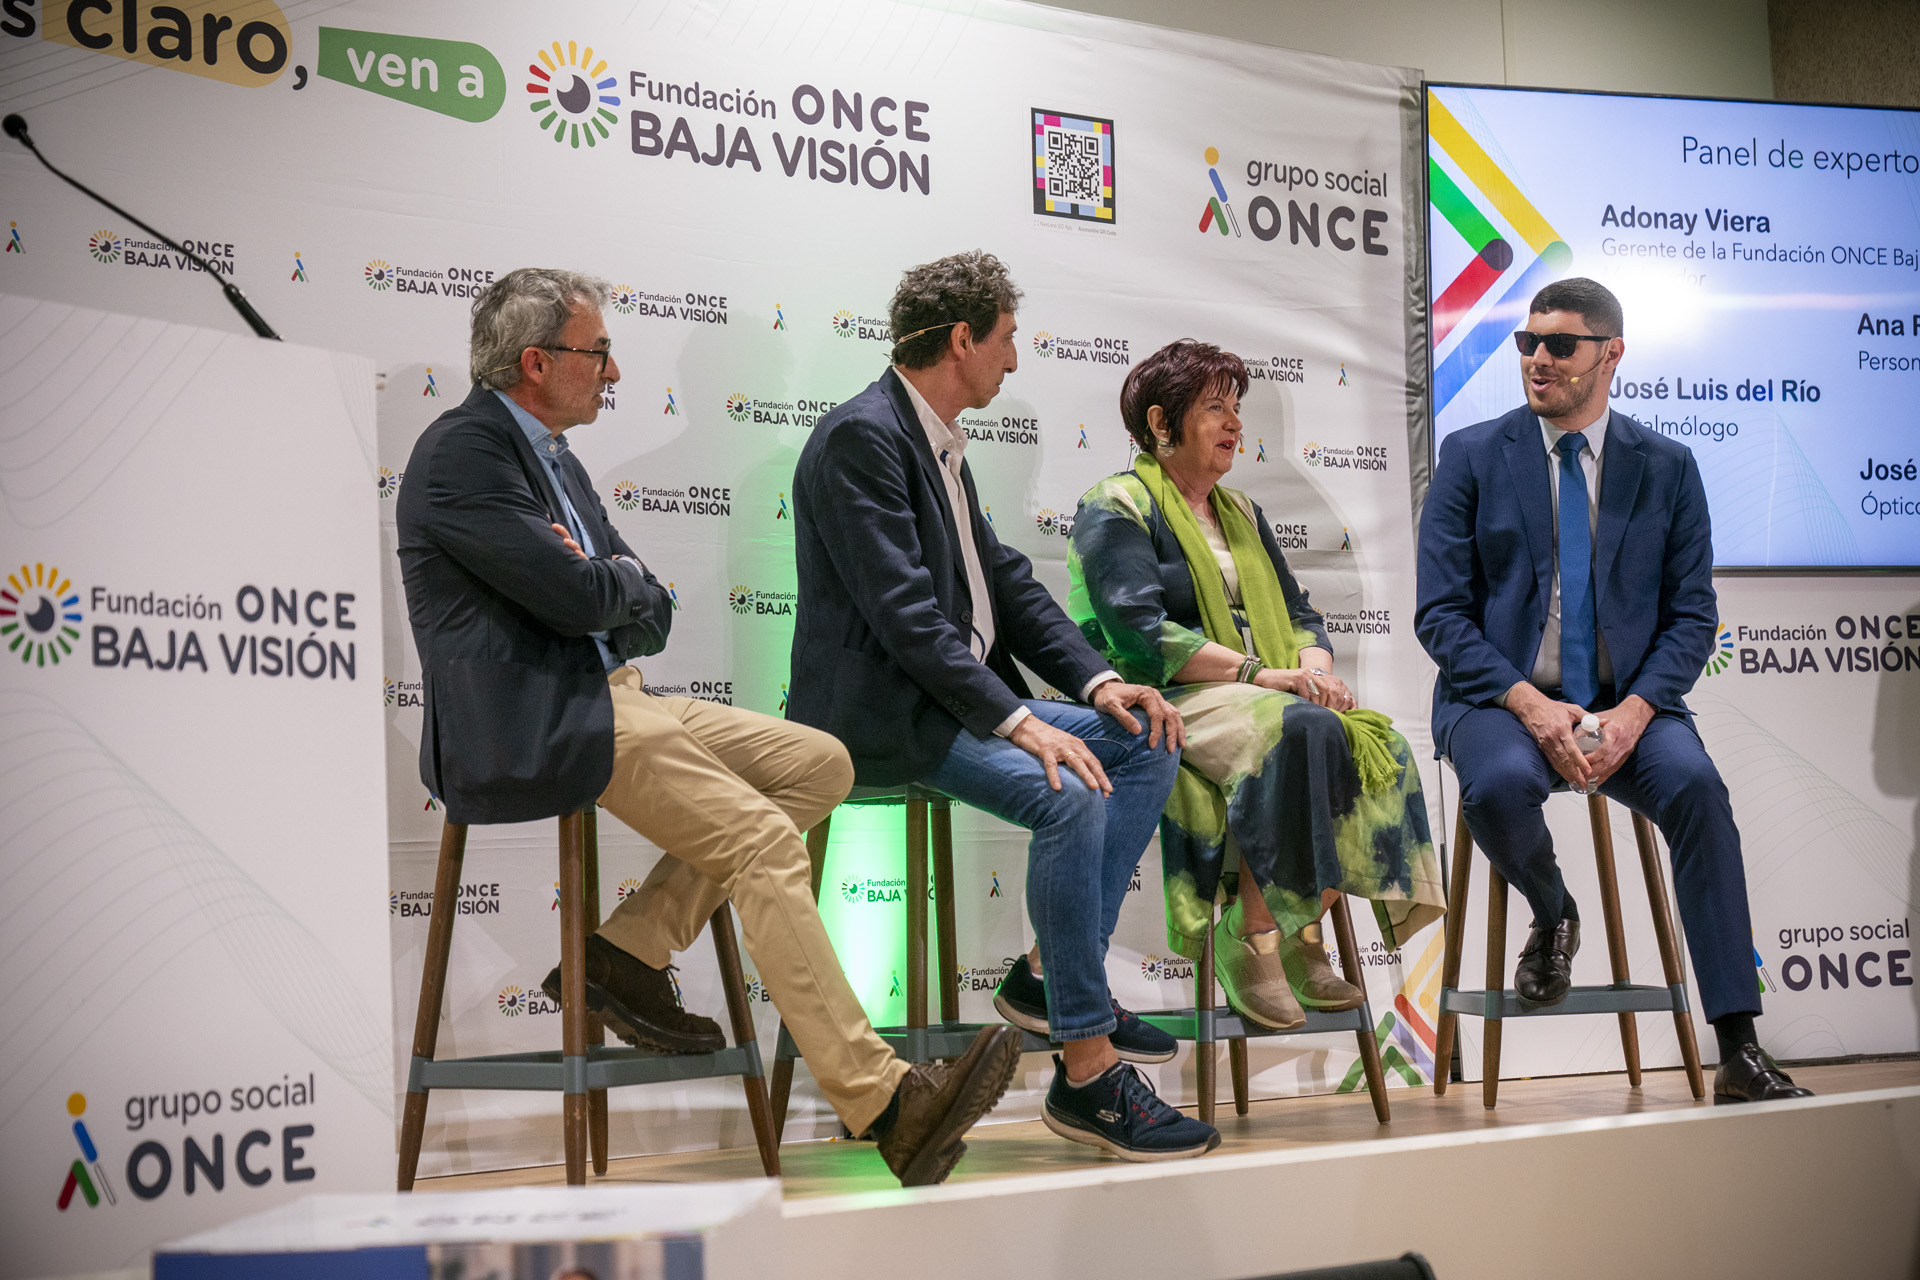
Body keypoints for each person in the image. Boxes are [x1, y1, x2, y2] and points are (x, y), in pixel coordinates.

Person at [396, 268, 1023, 1187]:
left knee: (821, 764)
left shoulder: (559, 462)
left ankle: (628, 950)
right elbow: (583, 595)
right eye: (598, 353)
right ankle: (886, 1102)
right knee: (761, 840)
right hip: (535, 717)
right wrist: (609, 584)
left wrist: (611, 584)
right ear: (536, 361)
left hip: (617, 694)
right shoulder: (462, 453)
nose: (613, 372)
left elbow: (646, 607)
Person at [789, 251, 1219, 1162]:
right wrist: (1019, 721)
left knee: (1145, 736)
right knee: (1070, 795)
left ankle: (1047, 979)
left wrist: (1099, 684)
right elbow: (906, 618)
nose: (1015, 360)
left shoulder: (937, 440)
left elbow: (1007, 586)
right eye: (1008, 339)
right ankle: (1089, 1072)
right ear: (962, 339)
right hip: (886, 717)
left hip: (952, 703)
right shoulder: (861, 438)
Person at [1414, 276, 1811, 1103]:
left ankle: (1738, 1046)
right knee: (1498, 786)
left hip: (1626, 705)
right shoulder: (1473, 454)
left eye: (1560, 345)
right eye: (1528, 342)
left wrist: (1634, 713)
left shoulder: (1667, 466)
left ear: (1611, 353)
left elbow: (1692, 617)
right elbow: (1441, 616)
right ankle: (1554, 909)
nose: (1538, 358)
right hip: (1501, 701)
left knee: (1698, 791)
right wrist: (1530, 704)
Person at [1069, 341, 1443, 1030]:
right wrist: (1262, 675)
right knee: (1302, 730)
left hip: (1264, 692)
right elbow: (1136, 630)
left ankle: (1299, 930)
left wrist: (1316, 672)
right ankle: (1258, 936)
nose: (1235, 423)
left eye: (1236, 407)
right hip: (1161, 695)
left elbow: (1300, 614)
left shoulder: (1241, 510)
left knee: (1379, 748)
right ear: (1161, 422)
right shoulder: (1115, 502)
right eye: (1215, 408)